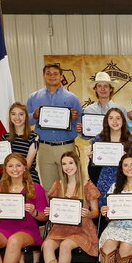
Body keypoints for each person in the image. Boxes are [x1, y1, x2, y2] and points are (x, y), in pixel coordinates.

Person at [39, 151, 100, 263]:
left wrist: (87, 213)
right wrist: (49, 211)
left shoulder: (87, 185)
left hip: (82, 229)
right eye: (64, 164)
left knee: (66, 245)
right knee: (47, 244)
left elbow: (96, 213)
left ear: (77, 164)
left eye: (70, 163)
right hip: (60, 227)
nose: (67, 167)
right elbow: (54, 210)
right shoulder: (58, 185)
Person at [26, 63, 82, 191]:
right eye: (48, 73)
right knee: (49, 188)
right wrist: (34, 115)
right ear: (43, 75)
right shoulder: (34, 97)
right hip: (44, 147)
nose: (52, 76)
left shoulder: (72, 98)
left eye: (55, 74)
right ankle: (51, 211)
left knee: (71, 185)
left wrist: (74, 119)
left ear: (61, 76)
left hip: (66, 146)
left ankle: (69, 210)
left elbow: (80, 125)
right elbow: (26, 122)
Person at [91, 108, 132, 208]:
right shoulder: (99, 139)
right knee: (106, 210)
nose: (115, 121)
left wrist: (127, 156)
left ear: (123, 121)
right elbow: (92, 169)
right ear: (106, 121)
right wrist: (92, 159)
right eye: (111, 118)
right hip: (104, 180)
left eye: (118, 118)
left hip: (127, 180)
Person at [79, 72, 126, 184]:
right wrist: (81, 131)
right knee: (98, 187)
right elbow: (85, 137)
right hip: (97, 156)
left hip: (116, 157)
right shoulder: (88, 111)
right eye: (99, 86)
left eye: (106, 86)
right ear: (95, 89)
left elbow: (126, 133)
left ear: (111, 89)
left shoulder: (121, 109)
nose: (103, 89)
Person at [0, 102, 39, 187]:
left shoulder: (34, 137)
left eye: (21, 114)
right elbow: (5, 163)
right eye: (13, 114)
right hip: (9, 179)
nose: (17, 118)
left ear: (26, 116)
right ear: (10, 117)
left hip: (29, 179)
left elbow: (27, 165)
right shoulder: (5, 137)